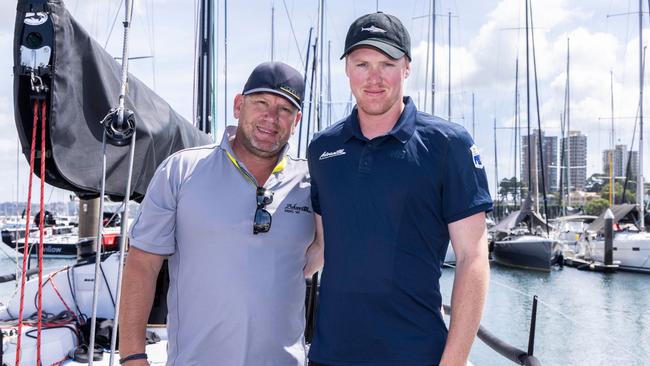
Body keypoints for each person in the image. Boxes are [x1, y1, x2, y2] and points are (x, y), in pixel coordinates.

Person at [307, 12, 492, 366]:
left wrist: (453, 362)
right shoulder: (322, 148)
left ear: (406, 67)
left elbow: (473, 258)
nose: (373, 77)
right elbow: (321, 244)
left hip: (416, 354)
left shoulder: (448, 144)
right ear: (347, 69)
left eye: (387, 63)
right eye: (362, 64)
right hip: (329, 355)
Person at [118, 61, 324, 366]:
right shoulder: (180, 171)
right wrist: (132, 356)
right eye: (261, 103)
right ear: (238, 105)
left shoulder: (312, 183)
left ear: (296, 121)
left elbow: (319, 255)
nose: (271, 117)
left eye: (285, 110)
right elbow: (142, 265)